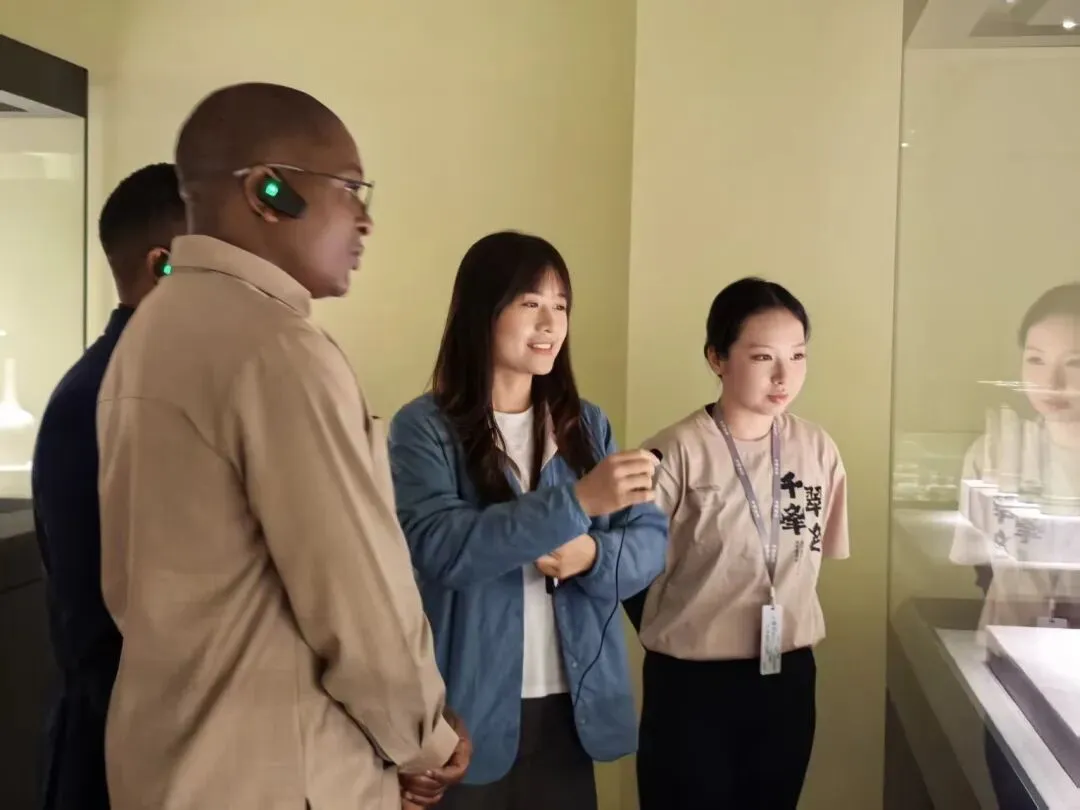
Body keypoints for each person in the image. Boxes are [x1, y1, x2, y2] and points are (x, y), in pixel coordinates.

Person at [95, 83, 468, 810]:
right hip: (279, 772)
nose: (365, 219)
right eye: (350, 189)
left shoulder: (149, 334)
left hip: (171, 762)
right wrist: (427, 740)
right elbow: (356, 600)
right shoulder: (277, 349)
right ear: (268, 192)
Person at [388, 230, 668, 810]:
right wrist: (576, 504)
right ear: (481, 312)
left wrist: (592, 556)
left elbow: (649, 543)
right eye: (530, 303)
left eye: (561, 307)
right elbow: (442, 548)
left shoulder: (587, 425)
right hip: (468, 712)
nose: (550, 324)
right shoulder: (423, 428)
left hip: (573, 708)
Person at [628, 277, 850, 809]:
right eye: (763, 357)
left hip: (787, 675)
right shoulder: (673, 452)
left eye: (798, 356)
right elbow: (627, 575)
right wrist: (683, 626)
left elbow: (812, 559)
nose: (784, 376)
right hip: (693, 685)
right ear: (717, 358)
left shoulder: (817, 448)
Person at [31, 163, 186, 810]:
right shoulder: (97, 402)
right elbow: (103, 630)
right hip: (125, 765)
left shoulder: (179, 388)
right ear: (163, 266)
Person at [946, 283, 1080, 809]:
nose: (1052, 382)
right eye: (1036, 360)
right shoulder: (995, 451)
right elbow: (979, 563)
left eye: (1074, 363)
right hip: (1014, 661)